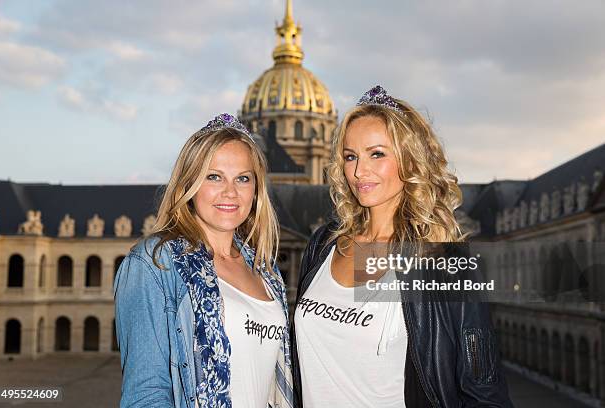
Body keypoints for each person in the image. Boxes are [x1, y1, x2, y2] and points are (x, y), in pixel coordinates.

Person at [292, 86, 513, 407]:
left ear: (410, 161)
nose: (358, 171)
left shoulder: (444, 262)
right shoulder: (324, 244)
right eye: (350, 156)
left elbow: (483, 388)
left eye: (377, 154)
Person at [114, 113, 293, 408]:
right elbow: (146, 393)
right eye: (214, 176)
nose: (230, 192)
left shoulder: (265, 269)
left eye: (243, 179)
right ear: (189, 184)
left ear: (256, 189)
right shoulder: (155, 263)